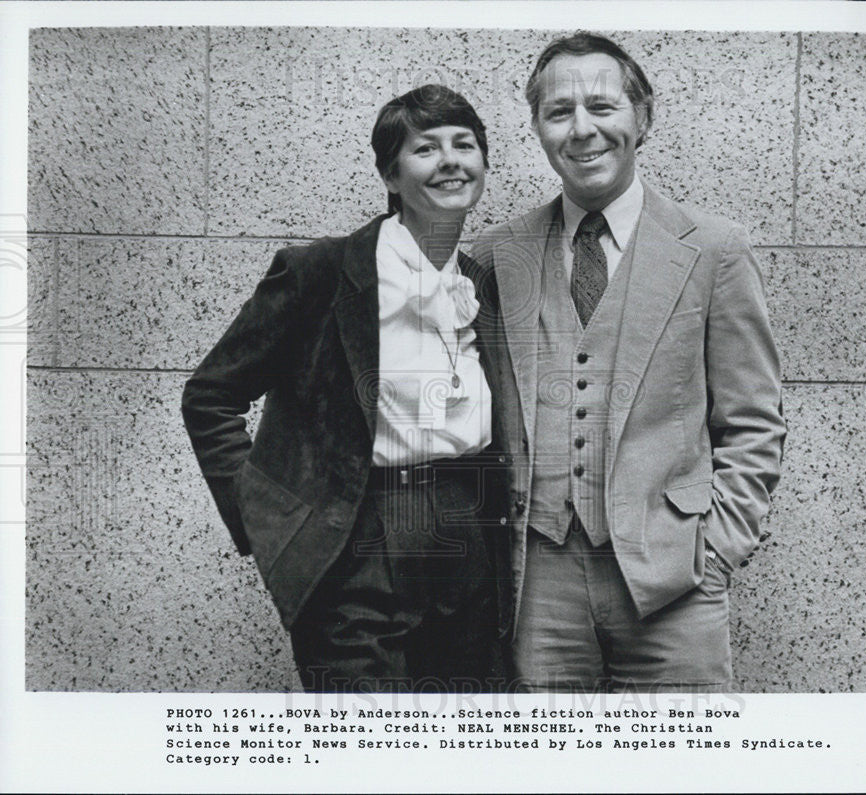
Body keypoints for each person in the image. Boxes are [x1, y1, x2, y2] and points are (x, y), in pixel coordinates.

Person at [472, 32, 786, 691]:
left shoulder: (713, 250)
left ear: (643, 117)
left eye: (602, 106)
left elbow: (754, 420)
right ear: (537, 129)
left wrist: (716, 551)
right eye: (559, 112)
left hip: (675, 579)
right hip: (538, 586)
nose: (581, 129)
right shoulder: (499, 253)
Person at [182, 85, 513, 693]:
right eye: (425, 148)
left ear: (484, 167)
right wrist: (263, 515)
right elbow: (209, 395)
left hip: (464, 534)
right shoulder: (320, 272)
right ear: (391, 174)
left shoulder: (481, 285)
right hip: (357, 535)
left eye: (465, 145)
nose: (451, 160)